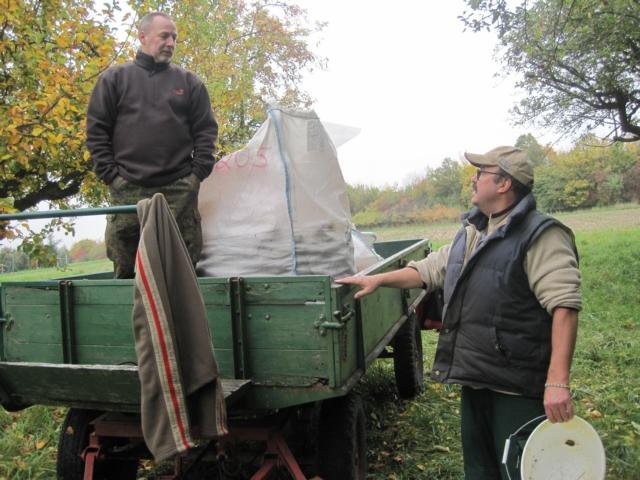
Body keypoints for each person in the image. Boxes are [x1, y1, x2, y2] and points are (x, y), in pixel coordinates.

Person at [337, 146, 581, 479]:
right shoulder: (474, 231)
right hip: (477, 377)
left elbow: (564, 306)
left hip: (517, 386)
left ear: (504, 184)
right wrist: (377, 278)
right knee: (480, 470)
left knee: (520, 469)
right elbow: (428, 270)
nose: (473, 179)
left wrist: (557, 382)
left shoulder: (542, 236)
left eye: (481, 173)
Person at [86, 11, 218, 278]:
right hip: (128, 191)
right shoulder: (114, 80)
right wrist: (112, 177)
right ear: (143, 37)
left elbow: (206, 132)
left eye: (174, 38)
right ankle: (127, 320)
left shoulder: (189, 83)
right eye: (164, 36)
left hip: (179, 189)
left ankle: (183, 320)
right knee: (126, 269)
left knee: (184, 269)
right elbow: (96, 132)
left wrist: (195, 176)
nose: (170, 42)